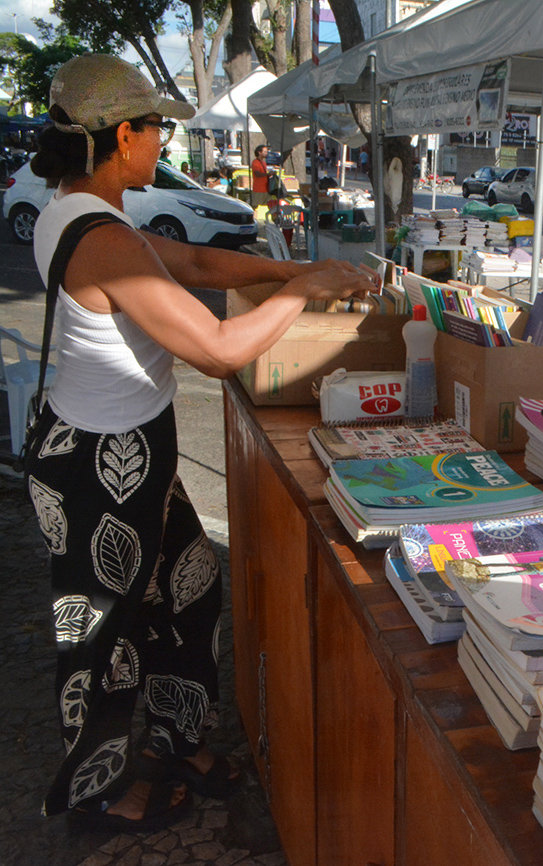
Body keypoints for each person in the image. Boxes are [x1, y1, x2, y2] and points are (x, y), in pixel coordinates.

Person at [24, 54, 374, 832]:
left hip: (129, 455)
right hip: (94, 466)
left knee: (186, 591)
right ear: (124, 135)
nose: (164, 143)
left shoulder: (90, 211)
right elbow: (216, 350)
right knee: (103, 632)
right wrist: (295, 292)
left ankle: (180, 740)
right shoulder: (97, 235)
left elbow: (192, 260)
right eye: (157, 129)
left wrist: (302, 267)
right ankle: (100, 790)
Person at [250, 144, 270, 208]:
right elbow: (257, 174)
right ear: (259, 152)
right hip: (258, 189)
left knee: (266, 206)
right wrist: (268, 174)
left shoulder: (264, 163)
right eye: (264, 151)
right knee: (256, 206)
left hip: (265, 189)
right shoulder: (255, 162)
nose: (266, 153)